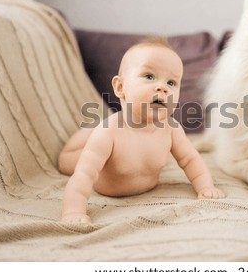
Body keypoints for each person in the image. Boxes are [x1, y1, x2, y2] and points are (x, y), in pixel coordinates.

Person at [59, 37, 225, 223]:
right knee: (68, 160)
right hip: (101, 164)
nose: (162, 88)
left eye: (171, 83)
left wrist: (205, 186)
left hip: (135, 173)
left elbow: (190, 159)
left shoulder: (171, 128)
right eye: (149, 76)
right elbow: (84, 175)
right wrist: (73, 211)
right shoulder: (109, 131)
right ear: (120, 87)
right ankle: (84, 135)